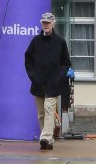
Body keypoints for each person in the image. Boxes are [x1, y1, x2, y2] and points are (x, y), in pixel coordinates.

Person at [23, 11, 70, 150]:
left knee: (49, 111)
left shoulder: (60, 42)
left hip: (53, 85)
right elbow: (28, 60)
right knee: (41, 114)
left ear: (53, 24)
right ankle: (48, 141)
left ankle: (45, 137)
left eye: (48, 23)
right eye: (44, 22)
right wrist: (33, 76)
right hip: (38, 84)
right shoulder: (35, 41)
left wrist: (58, 78)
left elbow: (66, 64)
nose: (46, 25)